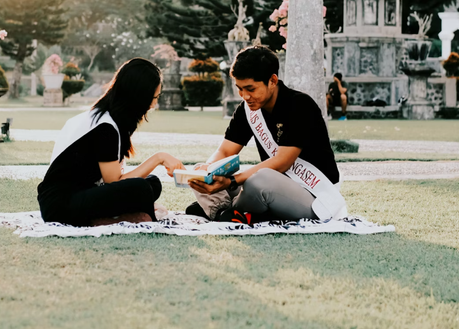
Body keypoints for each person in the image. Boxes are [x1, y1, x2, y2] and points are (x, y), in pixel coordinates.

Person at [187, 46, 347, 224]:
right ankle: (227, 212)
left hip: (314, 194)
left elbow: (281, 163)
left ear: (272, 80)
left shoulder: (300, 105)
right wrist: (208, 171)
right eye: (240, 89)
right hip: (273, 187)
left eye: (251, 89)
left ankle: (223, 210)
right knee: (199, 171)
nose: (245, 96)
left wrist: (232, 182)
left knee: (259, 180)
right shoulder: (247, 109)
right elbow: (225, 152)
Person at [38, 58, 185, 227]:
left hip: (79, 193)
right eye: (153, 98)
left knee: (152, 183)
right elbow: (115, 182)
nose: (154, 104)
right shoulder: (105, 127)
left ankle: (115, 216)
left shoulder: (105, 118)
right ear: (138, 96)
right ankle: (113, 218)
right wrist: (159, 158)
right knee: (140, 188)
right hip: (61, 205)